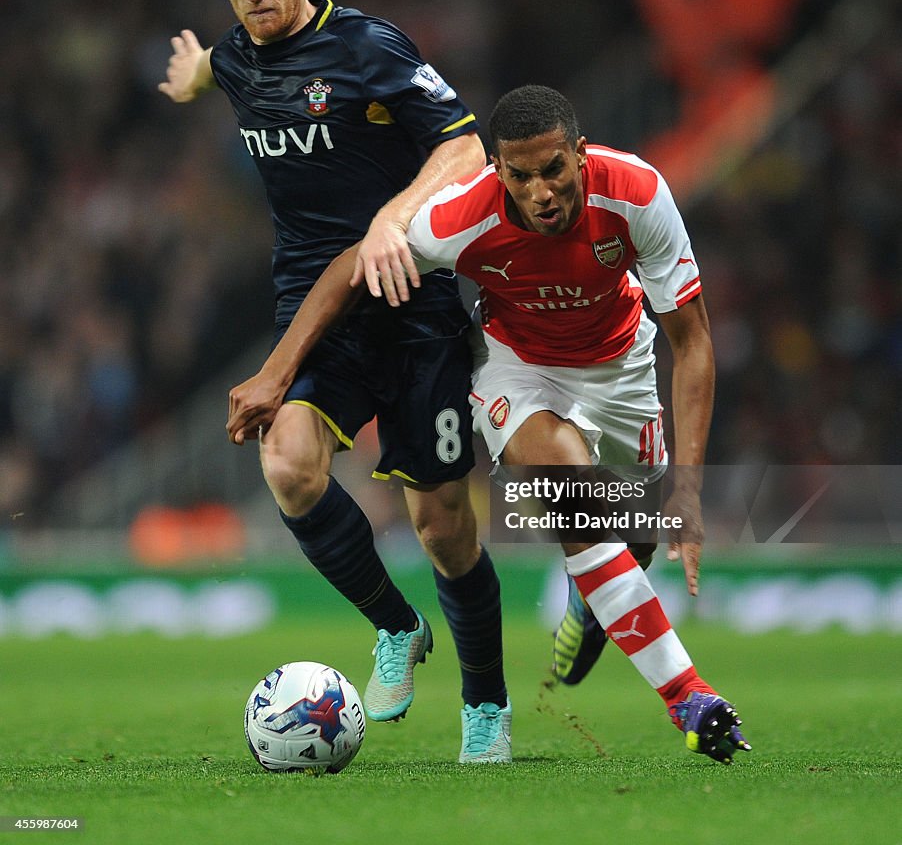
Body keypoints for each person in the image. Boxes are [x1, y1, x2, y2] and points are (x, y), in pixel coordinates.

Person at [240, 85, 751, 764]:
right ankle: (688, 695)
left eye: (553, 171)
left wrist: (686, 487)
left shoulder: (637, 192)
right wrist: (276, 373)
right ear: (499, 171)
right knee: (574, 499)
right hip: (519, 368)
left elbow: (691, 342)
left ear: (581, 154)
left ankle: (590, 597)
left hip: (621, 365)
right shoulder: (460, 219)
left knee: (636, 541)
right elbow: (353, 268)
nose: (539, 191)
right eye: (520, 176)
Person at [158, 0, 510, 764]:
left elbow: (466, 144)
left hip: (413, 304)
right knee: (288, 463)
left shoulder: (366, 47)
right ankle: (396, 627)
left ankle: (487, 707)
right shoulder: (239, 57)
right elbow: (217, 68)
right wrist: (191, 72)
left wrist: (395, 217)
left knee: (441, 526)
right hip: (314, 309)